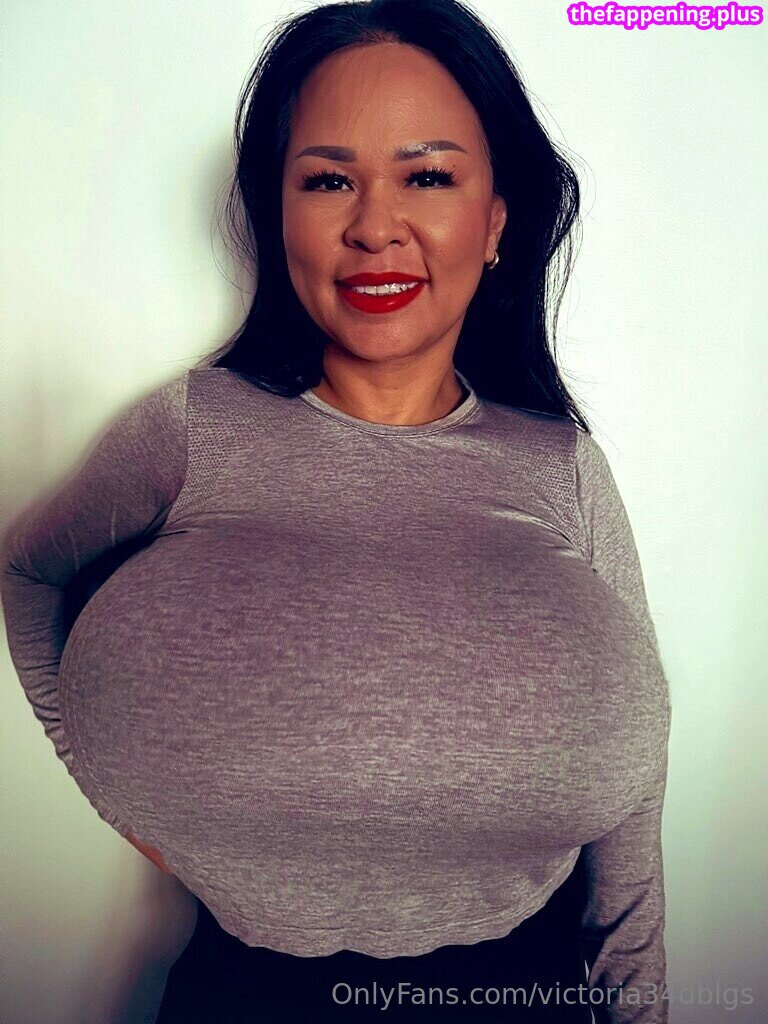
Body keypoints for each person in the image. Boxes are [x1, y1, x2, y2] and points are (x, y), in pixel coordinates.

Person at [0, 0, 672, 1021]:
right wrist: (110, 779)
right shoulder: (193, 427)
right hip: (246, 993)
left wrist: (641, 1006)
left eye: (427, 176)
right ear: (279, 216)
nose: (374, 226)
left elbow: (635, 785)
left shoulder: (563, 466)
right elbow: (27, 569)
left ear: (496, 222)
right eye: (327, 180)